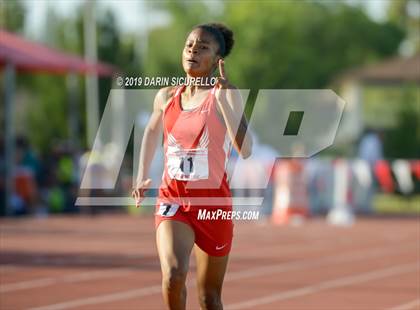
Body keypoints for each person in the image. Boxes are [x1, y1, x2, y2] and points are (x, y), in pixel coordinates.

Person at [132, 23, 252, 310]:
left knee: (209, 298)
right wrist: (141, 176)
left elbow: (245, 150)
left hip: (213, 203)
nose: (193, 51)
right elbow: (150, 132)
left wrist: (223, 101)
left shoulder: (226, 94)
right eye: (189, 46)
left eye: (203, 48)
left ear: (217, 60)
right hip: (173, 199)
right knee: (173, 276)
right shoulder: (166, 96)